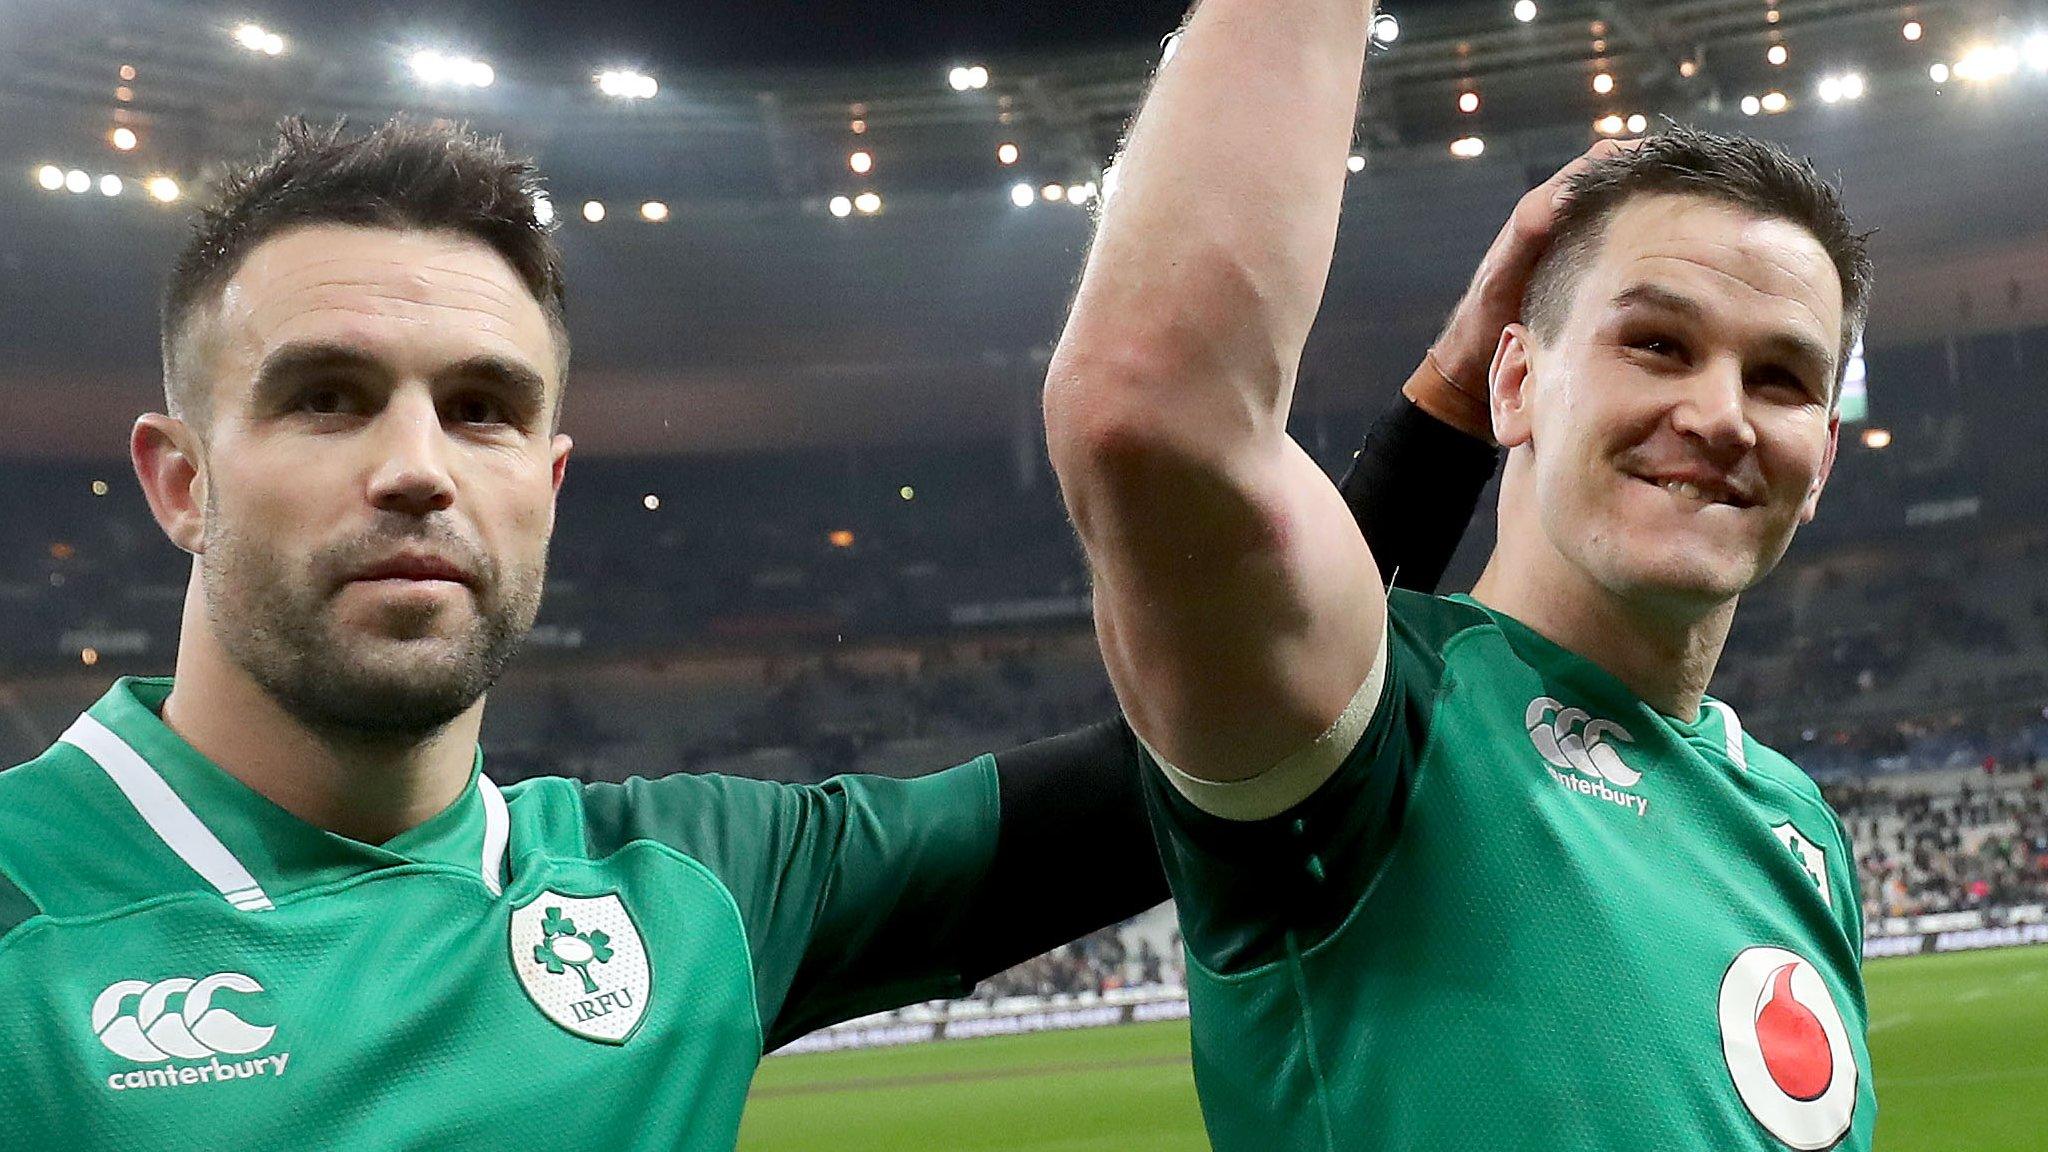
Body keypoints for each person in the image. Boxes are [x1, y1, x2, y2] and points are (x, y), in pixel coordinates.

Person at [0, 115, 1515, 1149]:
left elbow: (1190, 754)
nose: (416, 465)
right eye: (326, 395)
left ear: (549, 481)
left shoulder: (690, 890)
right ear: (180, 479)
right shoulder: (28, 907)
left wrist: (1445, 420)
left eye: (484, 408)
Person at [1043, 1, 1876, 1148]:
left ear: (1822, 458)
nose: (1719, 415)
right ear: (1515, 382)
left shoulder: (1798, 830)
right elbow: (1148, 409)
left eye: (1781, 378)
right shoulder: (1362, 725)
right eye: (1655, 343)